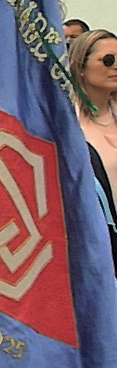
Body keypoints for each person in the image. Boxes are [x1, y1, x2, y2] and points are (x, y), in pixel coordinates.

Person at [69, 29, 117, 275]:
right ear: (81, 67)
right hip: (95, 247)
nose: (115, 67)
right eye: (108, 60)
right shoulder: (67, 125)